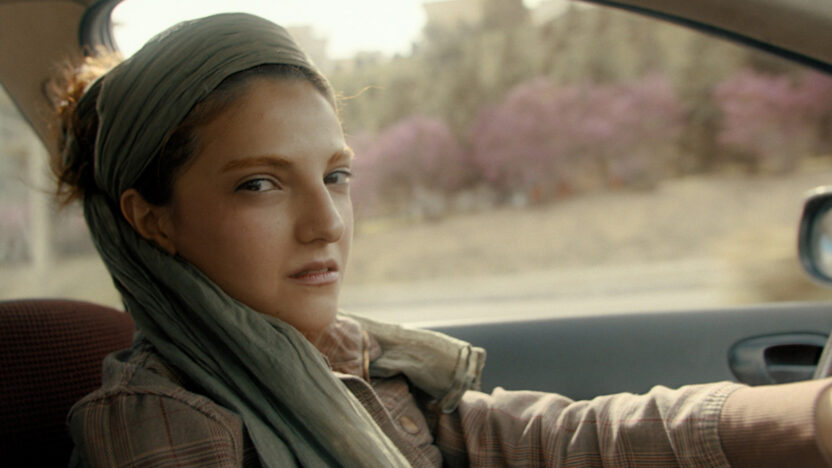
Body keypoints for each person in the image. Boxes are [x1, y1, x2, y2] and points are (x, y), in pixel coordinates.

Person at [54, 12, 832, 467]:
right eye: (260, 183)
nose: (327, 222)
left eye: (336, 175)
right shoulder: (161, 421)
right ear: (151, 218)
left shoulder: (349, 362)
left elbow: (557, 438)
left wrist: (810, 418)